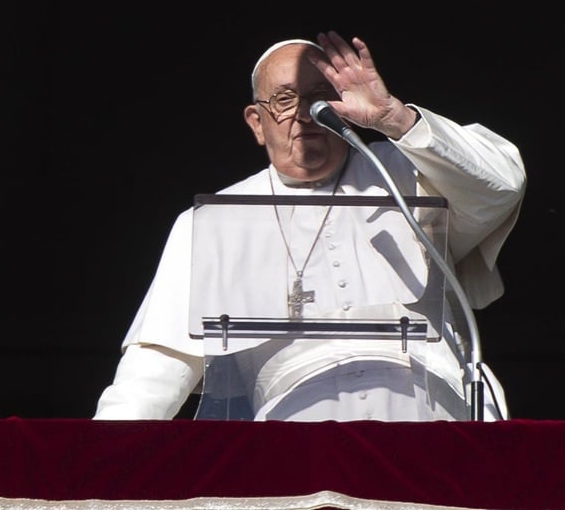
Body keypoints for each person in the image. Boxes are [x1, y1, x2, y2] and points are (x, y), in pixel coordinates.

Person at [94, 31, 526, 422]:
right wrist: (100, 460)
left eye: (320, 98)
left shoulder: (408, 169)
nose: (304, 115)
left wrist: (394, 118)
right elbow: (157, 365)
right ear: (256, 123)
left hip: (431, 415)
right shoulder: (213, 219)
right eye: (284, 100)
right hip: (293, 435)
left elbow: (502, 185)